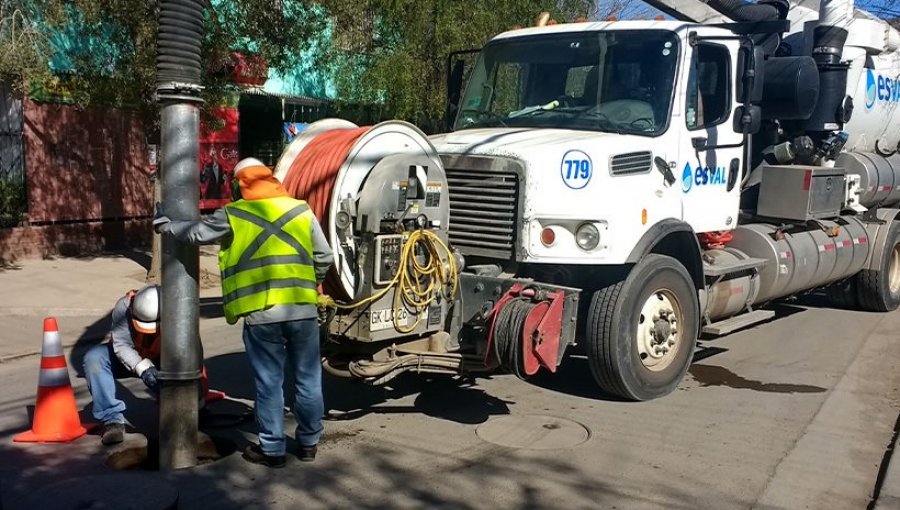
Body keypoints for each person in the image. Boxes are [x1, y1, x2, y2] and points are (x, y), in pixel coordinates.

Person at [154, 157, 334, 468]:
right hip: (303, 311)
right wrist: (310, 283)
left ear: (239, 185)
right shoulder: (301, 210)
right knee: (308, 380)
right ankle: (308, 443)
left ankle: (273, 449)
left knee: (269, 383)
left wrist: (168, 225)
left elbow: (196, 234)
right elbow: (324, 256)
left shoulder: (234, 214)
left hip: (262, 314)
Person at [82, 285, 162, 445]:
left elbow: (190, 349)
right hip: (129, 359)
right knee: (94, 358)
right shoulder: (123, 307)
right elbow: (122, 345)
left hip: (163, 359)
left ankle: (190, 409)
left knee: (188, 364)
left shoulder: (178, 307)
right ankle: (112, 421)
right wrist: (143, 368)